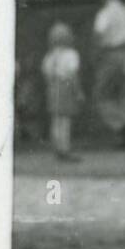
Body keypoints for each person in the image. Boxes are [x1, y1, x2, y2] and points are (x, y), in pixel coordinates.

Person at [92, 0, 125, 145]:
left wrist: (96, 54)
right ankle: (124, 134)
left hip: (112, 54)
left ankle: (123, 123)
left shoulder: (106, 12)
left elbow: (99, 33)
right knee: (124, 94)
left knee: (102, 94)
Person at [40, 22, 83, 161]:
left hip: (52, 86)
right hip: (66, 85)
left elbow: (46, 74)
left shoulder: (49, 56)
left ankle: (57, 147)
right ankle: (65, 149)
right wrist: (78, 91)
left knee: (56, 119)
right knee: (65, 119)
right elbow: (72, 74)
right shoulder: (71, 54)